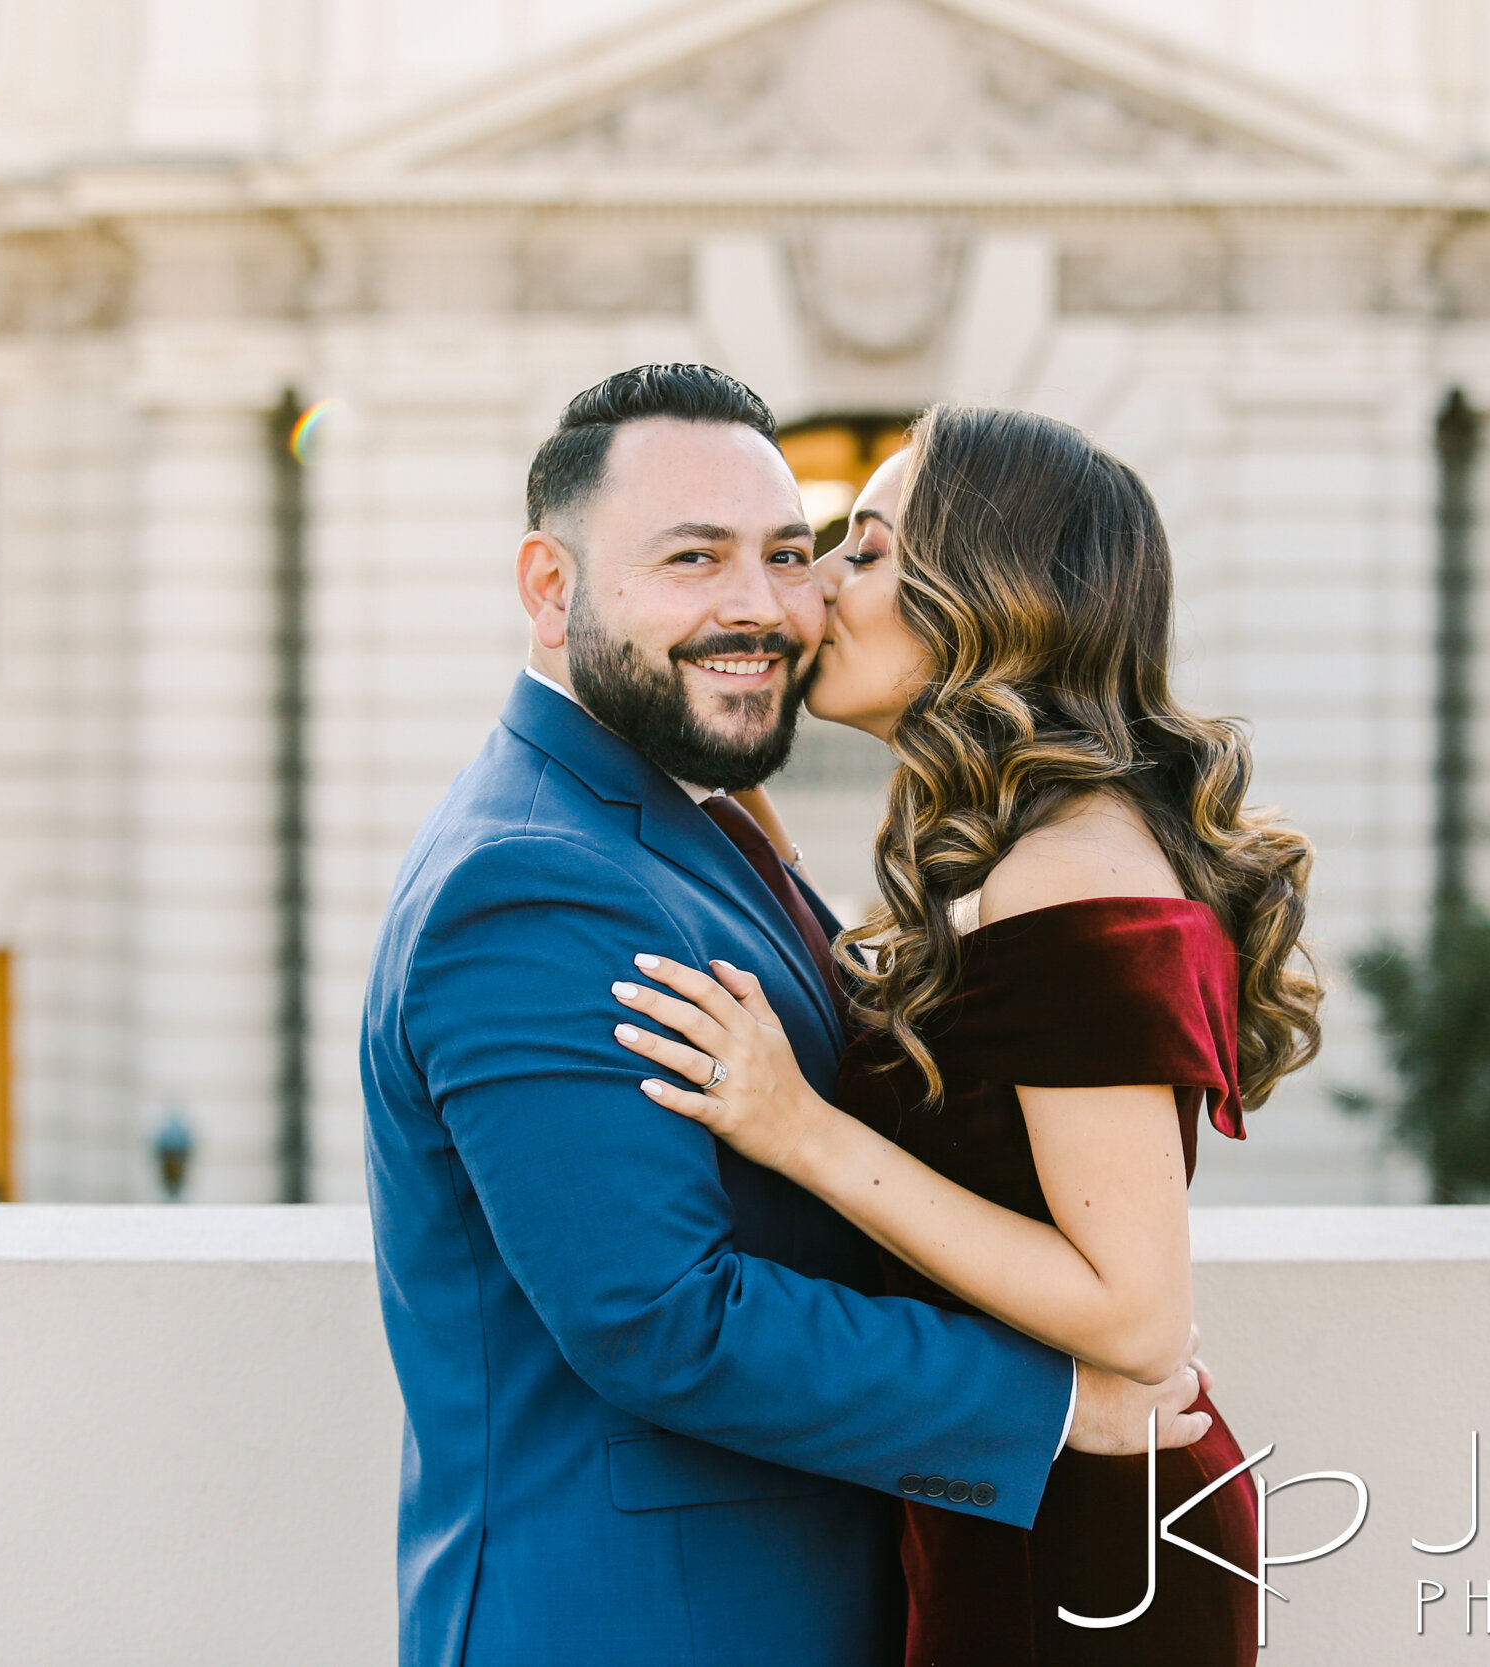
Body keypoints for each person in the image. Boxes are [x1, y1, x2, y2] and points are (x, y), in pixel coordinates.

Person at [358, 366, 1214, 1667]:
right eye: (694, 558)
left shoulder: (693, 822)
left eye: (790, 551)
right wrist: (1049, 1406)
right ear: (552, 588)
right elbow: (661, 1317)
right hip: (639, 1621)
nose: (761, 603)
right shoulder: (529, 881)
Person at [611, 405, 1323, 1663]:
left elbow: (1138, 1312)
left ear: (987, 600)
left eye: (866, 549)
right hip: (1015, 1508)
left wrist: (802, 1134)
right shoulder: (1024, 850)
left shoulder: (1071, 872)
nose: (819, 584)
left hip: (1092, 1555)